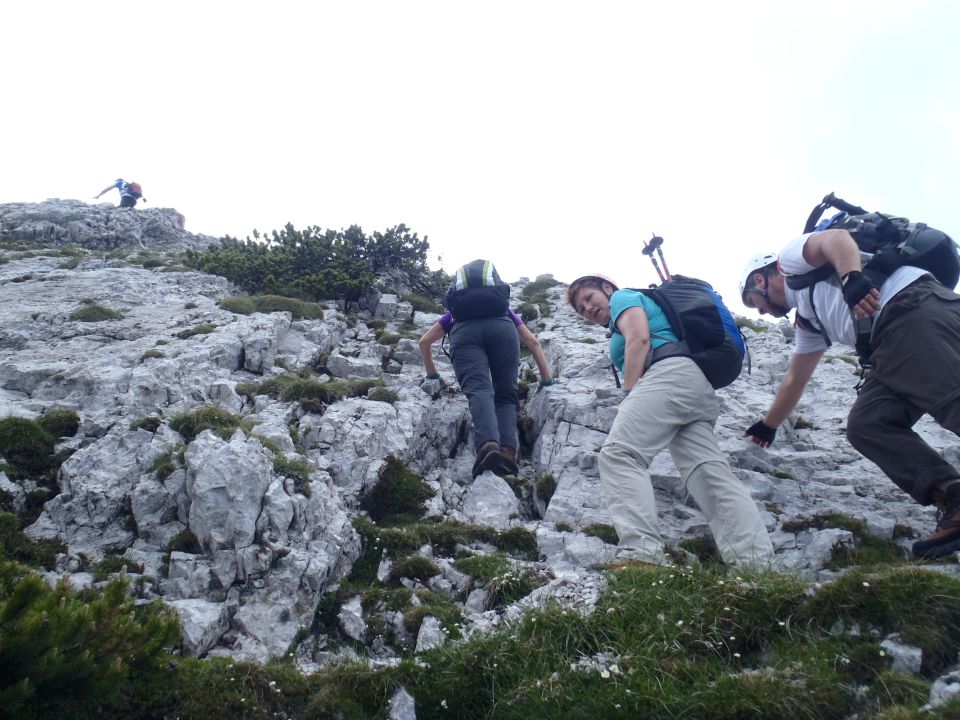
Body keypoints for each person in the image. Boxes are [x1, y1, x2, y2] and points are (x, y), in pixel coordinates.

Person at [740, 226, 960, 558]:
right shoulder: (809, 320)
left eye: (753, 303)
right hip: (888, 347)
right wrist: (768, 425)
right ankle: (952, 493)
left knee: (952, 402)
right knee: (868, 424)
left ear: (759, 280)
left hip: (911, 310)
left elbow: (836, 238)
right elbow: (794, 380)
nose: (759, 312)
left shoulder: (790, 260)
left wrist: (852, 277)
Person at [566, 274, 776, 568]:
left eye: (589, 298)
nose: (587, 309)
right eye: (580, 309)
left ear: (607, 288)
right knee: (708, 475)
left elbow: (639, 339)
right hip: (693, 384)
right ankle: (757, 565)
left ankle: (642, 552)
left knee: (619, 454)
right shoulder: (625, 309)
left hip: (667, 375)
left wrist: (628, 395)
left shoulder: (623, 297)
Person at [419, 291, 555, 479]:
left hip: (464, 333)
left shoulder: (454, 314)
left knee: (479, 389)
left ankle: (487, 446)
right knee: (506, 394)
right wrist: (547, 379)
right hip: (504, 330)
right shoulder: (503, 310)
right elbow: (532, 342)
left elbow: (424, 341)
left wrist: (432, 374)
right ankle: (508, 453)